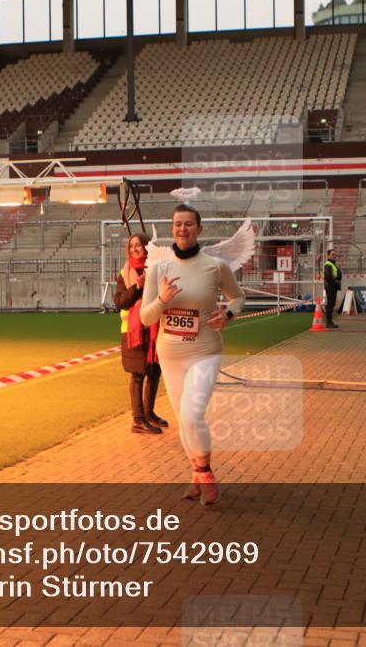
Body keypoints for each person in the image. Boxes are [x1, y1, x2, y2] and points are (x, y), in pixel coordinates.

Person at [140, 204, 247, 506]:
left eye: (189, 224)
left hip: (205, 351)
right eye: (177, 224)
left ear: (199, 229)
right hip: (170, 354)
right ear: (172, 228)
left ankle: (207, 476)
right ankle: (197, 474)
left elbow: (237, 297)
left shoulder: (215, 266)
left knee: (192, 414)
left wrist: (228, 315)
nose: (182, 229)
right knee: (182, 418)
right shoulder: (159, 269)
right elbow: (147, 318)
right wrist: (162, 300)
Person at [114, 233, 167, 435]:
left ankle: (148, 412)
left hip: (154, 329)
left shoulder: (156, 268)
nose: (135, 249)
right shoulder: (125, 273)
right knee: (138, 374)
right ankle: (138, 420)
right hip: (133, 332)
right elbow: (120, 302)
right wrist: (138, 287)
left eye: (139, 245)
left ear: (146, 247)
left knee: (154, 372)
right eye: (132, 246)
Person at [323, 249, 342, 329]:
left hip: (333, 286)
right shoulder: (328, 264)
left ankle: (330, 322)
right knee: (330, 304)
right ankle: (328, 322)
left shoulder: (333, 265)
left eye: (335, 255)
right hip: (330, 286)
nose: (334, 256)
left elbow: (339, 276)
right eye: (332, 254)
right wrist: (335, 282)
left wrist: (337, 277)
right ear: (328, 255)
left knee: (332, 304)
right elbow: (328, 277)